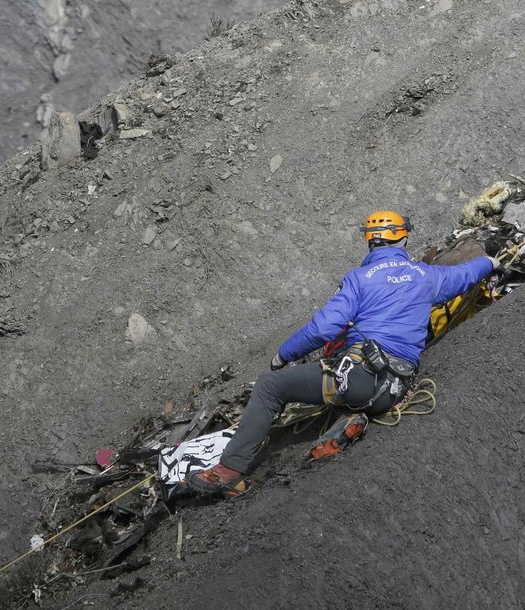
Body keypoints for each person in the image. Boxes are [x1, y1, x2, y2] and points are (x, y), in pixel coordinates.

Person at [187, 210, 498, 498]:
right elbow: (467, 274)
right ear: (403, 238)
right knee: (345, 388)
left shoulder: (359, 280)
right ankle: (349, 419)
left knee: (270, 387)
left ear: (371, 242)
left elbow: (324, 327)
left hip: (359, 377)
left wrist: (282, 355)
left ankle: (229, 473)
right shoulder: (424, 275)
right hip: (397, 388)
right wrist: (492, 263)